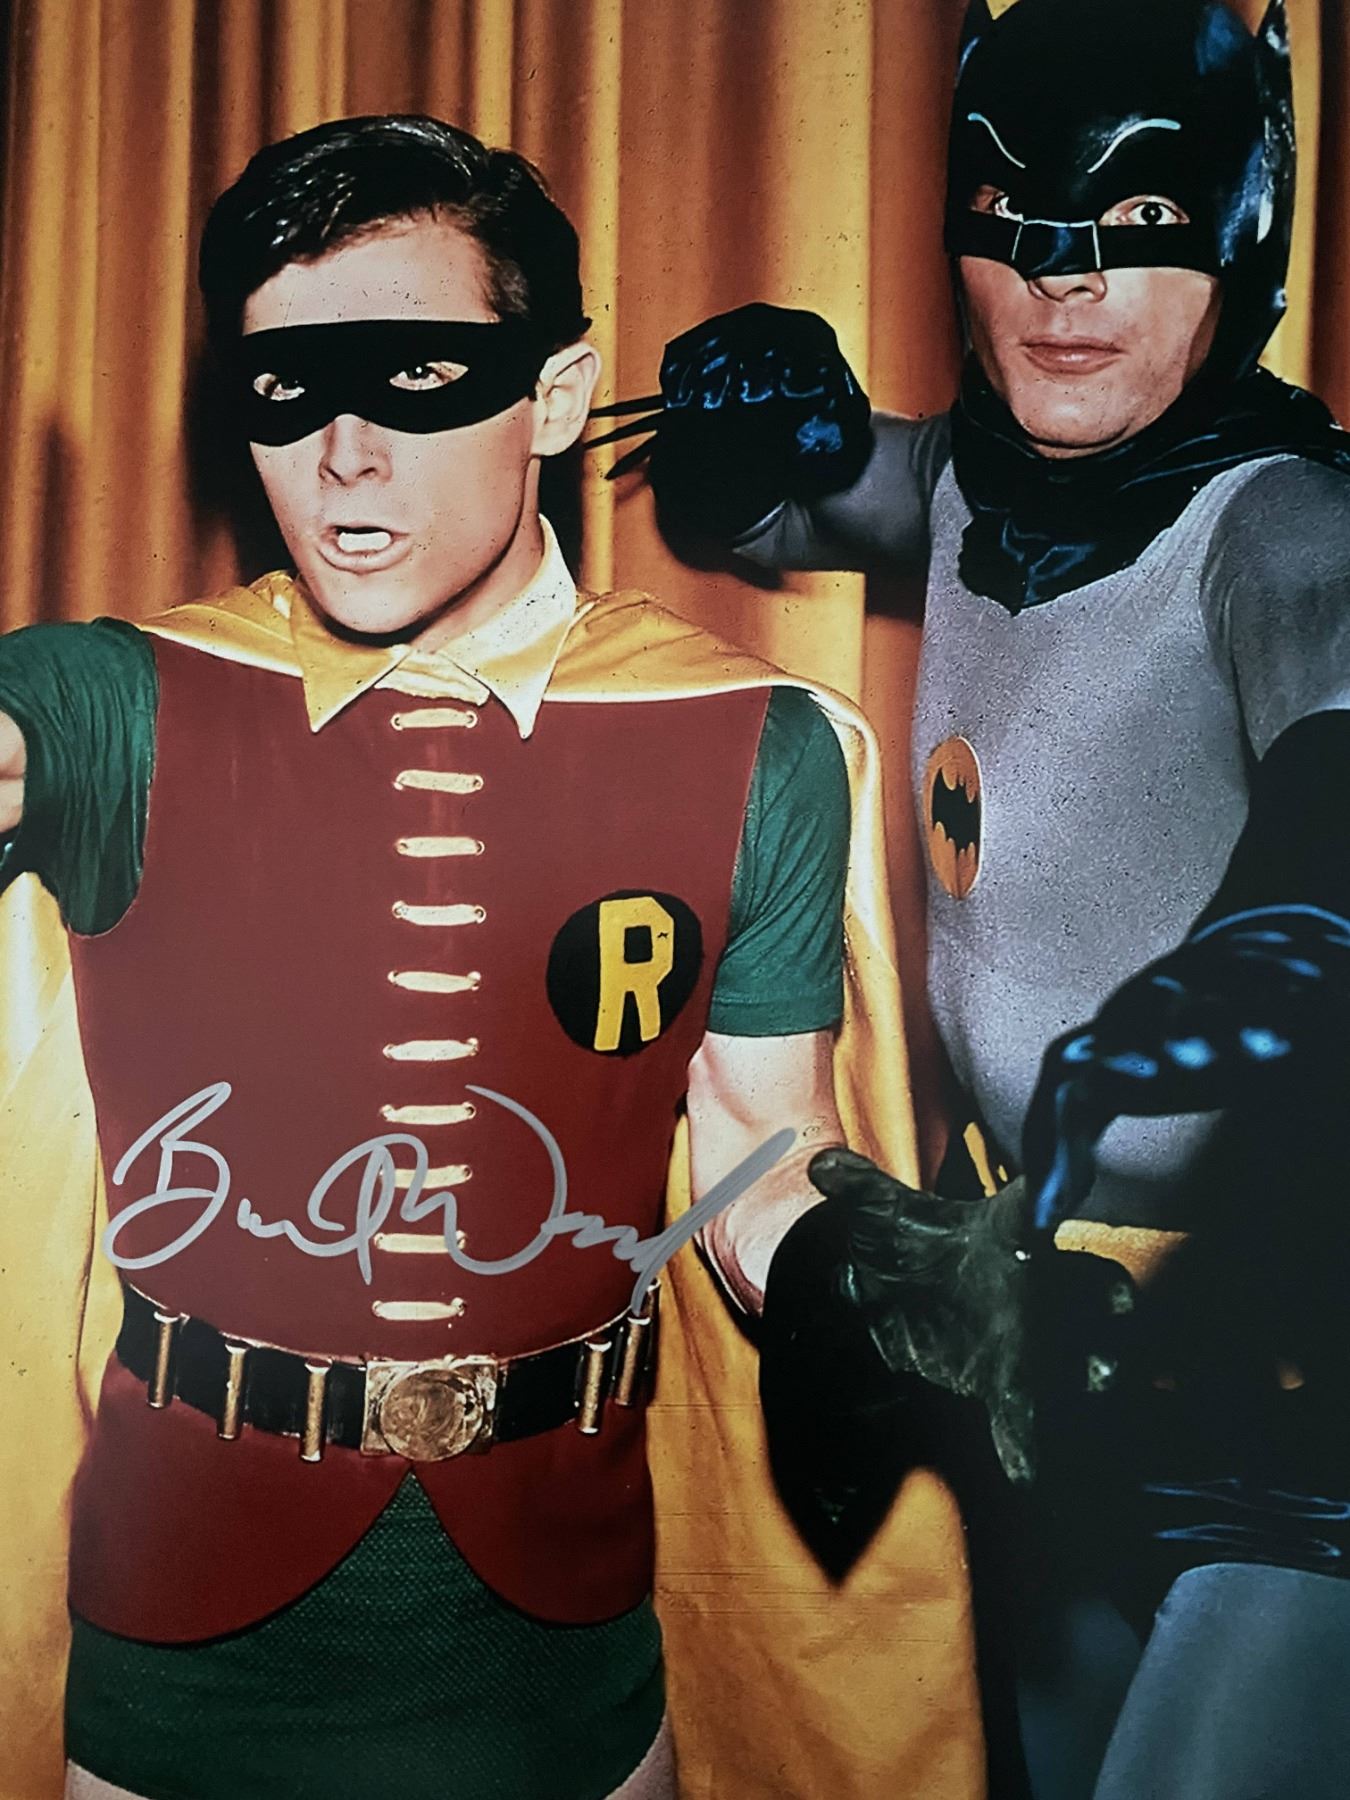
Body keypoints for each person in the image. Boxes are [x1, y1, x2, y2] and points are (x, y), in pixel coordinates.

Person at [0, 114, 971, 1800]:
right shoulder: (120, 703)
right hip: (173, 1661)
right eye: (284, 390)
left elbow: (760, 1150)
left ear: (557, 394)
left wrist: (897, 1285)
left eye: (417, 380)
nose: (343, 457)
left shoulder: (752, 743)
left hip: (562, 1658)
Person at [620, 1, 1350, 1795]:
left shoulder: (1283, 523)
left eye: (1138, 225)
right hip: (1037, 1332)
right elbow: (763, 517)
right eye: (1013, 223)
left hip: (1279, 1360)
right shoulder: (972, 475)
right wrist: (751, 416)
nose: (1061, 280)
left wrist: (1278, 943)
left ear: (1243, 239)